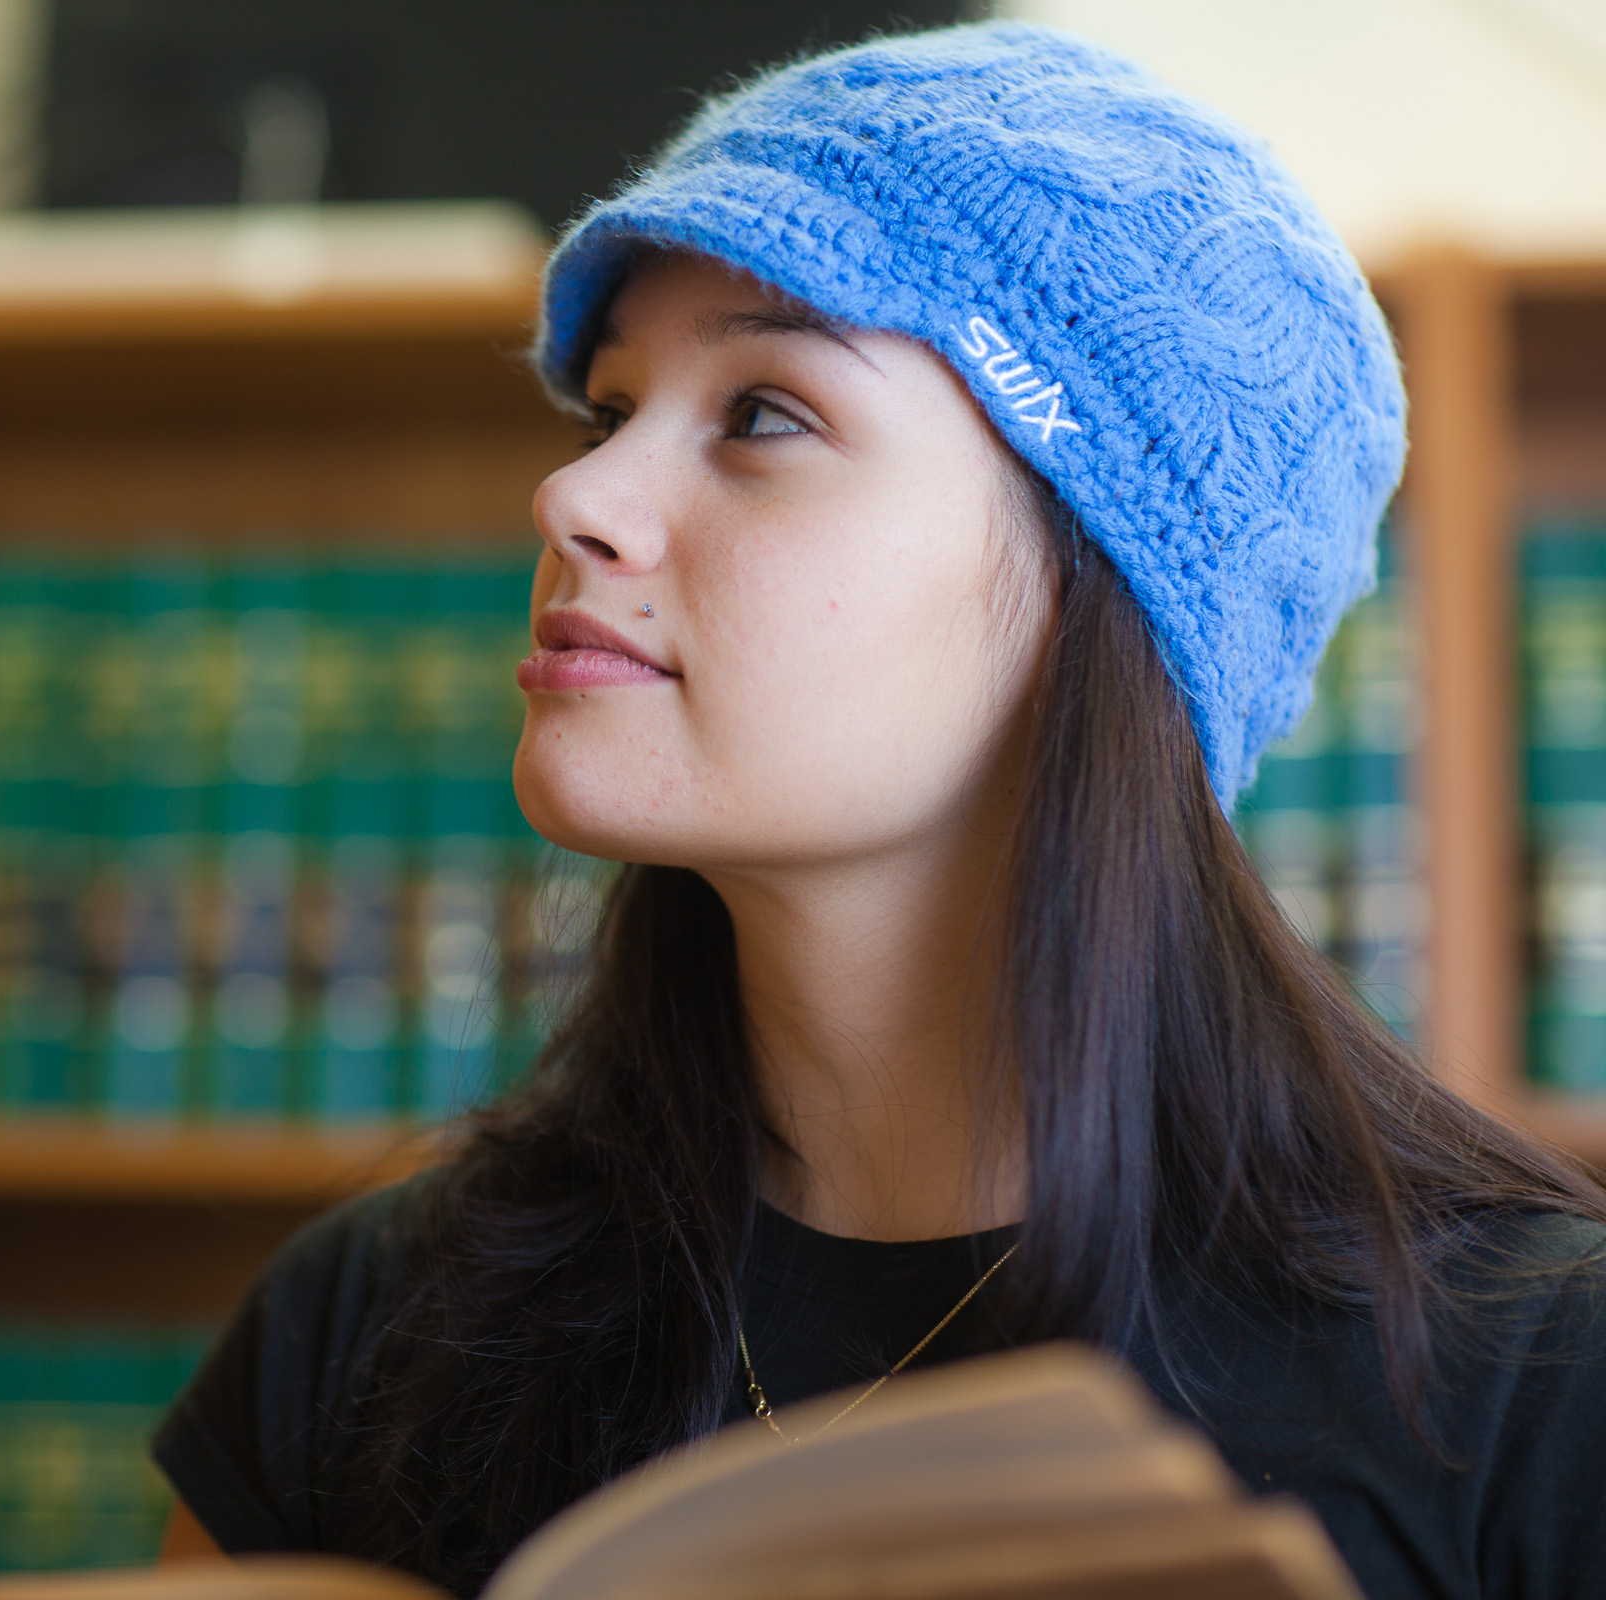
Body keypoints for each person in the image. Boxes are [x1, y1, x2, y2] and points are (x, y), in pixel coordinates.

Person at [150, 22, 1606, 1599]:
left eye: (764, 414)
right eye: (608, 412)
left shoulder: (1542, 1386)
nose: (576, 499)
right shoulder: (360, 1335)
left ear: (1094, 590)